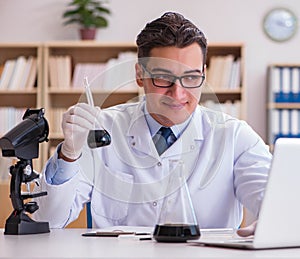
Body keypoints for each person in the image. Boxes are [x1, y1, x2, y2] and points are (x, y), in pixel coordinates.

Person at [34, 12, 272, 235]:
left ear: (204, 74)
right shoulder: (101, 129)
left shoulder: (235, 136)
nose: (177, 93)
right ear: (140, 74)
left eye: (190, 77)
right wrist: (69, 154)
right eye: (163, 78)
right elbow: (48, 220)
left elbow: (275, 200)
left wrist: (275, 222)